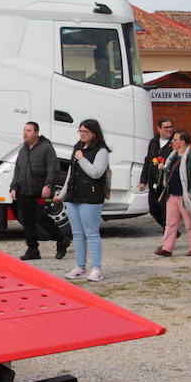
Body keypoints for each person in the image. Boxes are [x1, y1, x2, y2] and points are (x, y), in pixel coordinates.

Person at [57, 118, 110, 281]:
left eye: (86, 131)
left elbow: (96, 172)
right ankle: (80, 266)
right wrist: (62, 194)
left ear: (94, 133)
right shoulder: (77, 147)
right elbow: (70, 174)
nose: (82, 134)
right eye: (80, 131)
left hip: (91, 197)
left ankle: (97, 268)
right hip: (73, 196)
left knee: (91, 233)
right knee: (77, 234)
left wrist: (82, 159)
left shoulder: (101, 150)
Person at [8, 121, 68, 261]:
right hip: (24, 191)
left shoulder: (46, 148)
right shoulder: (22, 150)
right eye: (24, 130)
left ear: (36, 133)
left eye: (28, 130)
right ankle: (33, 249)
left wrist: (48, 185)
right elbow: (17, 170)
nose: (25, 133)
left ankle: (61, 240)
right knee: (27, 220)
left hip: (40, 191)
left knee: (42, 218)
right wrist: (13, 187)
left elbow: (53, 168)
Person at [155, 128, 191, 257]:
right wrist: (162, 170)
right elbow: (168, 174)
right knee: (170, 223)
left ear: (183, 142)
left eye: (175, 140)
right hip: (172, 195)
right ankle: (167, 248)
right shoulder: (172, 157)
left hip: (185, 196)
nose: (172, 142)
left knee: (190, 224)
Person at [138, 118, 176, 227]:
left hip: (167, 183)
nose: (169, 130)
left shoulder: (175, 142)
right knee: (153, 210)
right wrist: (143, 181)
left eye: (170, 127)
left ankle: (168, 237)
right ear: (159, 128)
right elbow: (148, 161)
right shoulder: (153, 142)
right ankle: (171, 231)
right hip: (154, 182)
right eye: (166, 127)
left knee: (166, 211)